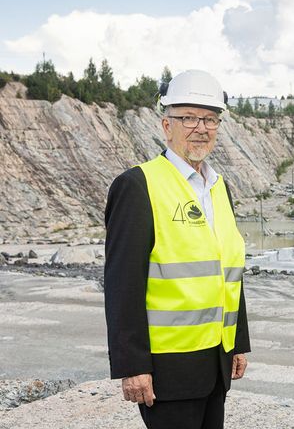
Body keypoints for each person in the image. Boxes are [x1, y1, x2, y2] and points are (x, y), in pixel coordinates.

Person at [104, 69, 250, 429]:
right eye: (188, 118)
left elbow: (227, 269)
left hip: (215, 362)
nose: (200, 128)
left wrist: (238, 342)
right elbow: (123, 285)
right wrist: (133, 366)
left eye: (210, 119)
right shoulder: (138, 186)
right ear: (166, 125)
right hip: (167, 370)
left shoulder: (219, 188)